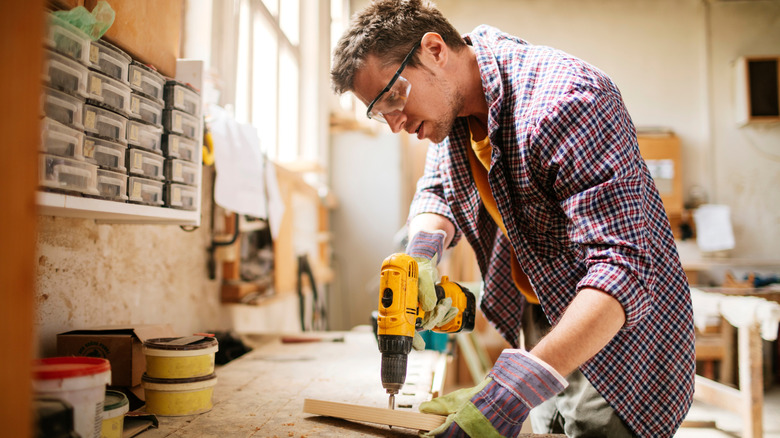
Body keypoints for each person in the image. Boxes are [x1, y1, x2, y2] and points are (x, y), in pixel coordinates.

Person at [331, 1, 696, 436]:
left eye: (393, 97)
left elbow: (622, 271)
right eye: (378, 111)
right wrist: (421, 258)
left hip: (614, 326)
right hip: (541, 313)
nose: (395, 123)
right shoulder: (454, 112)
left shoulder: (567, 100)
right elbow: (438, 190)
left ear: (434, 50)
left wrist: (513, 389)